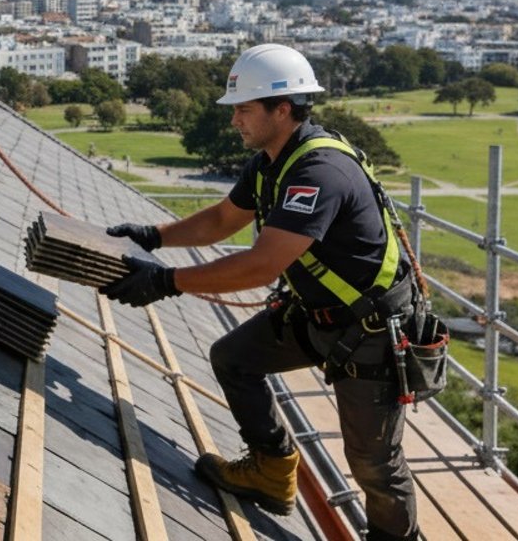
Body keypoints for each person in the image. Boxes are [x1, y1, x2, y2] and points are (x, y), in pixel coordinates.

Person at [98, 43, 423, 541]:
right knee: (234, 357)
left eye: (244, 110)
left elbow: (262, 263)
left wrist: (167, 281)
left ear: (284, 109)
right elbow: (224, 219)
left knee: (373, 462)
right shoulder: (273, 161)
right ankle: (273, 471)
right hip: (320, 315)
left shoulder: (320, 172)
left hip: (369, 331)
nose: (235, 123)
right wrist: (155, 235)